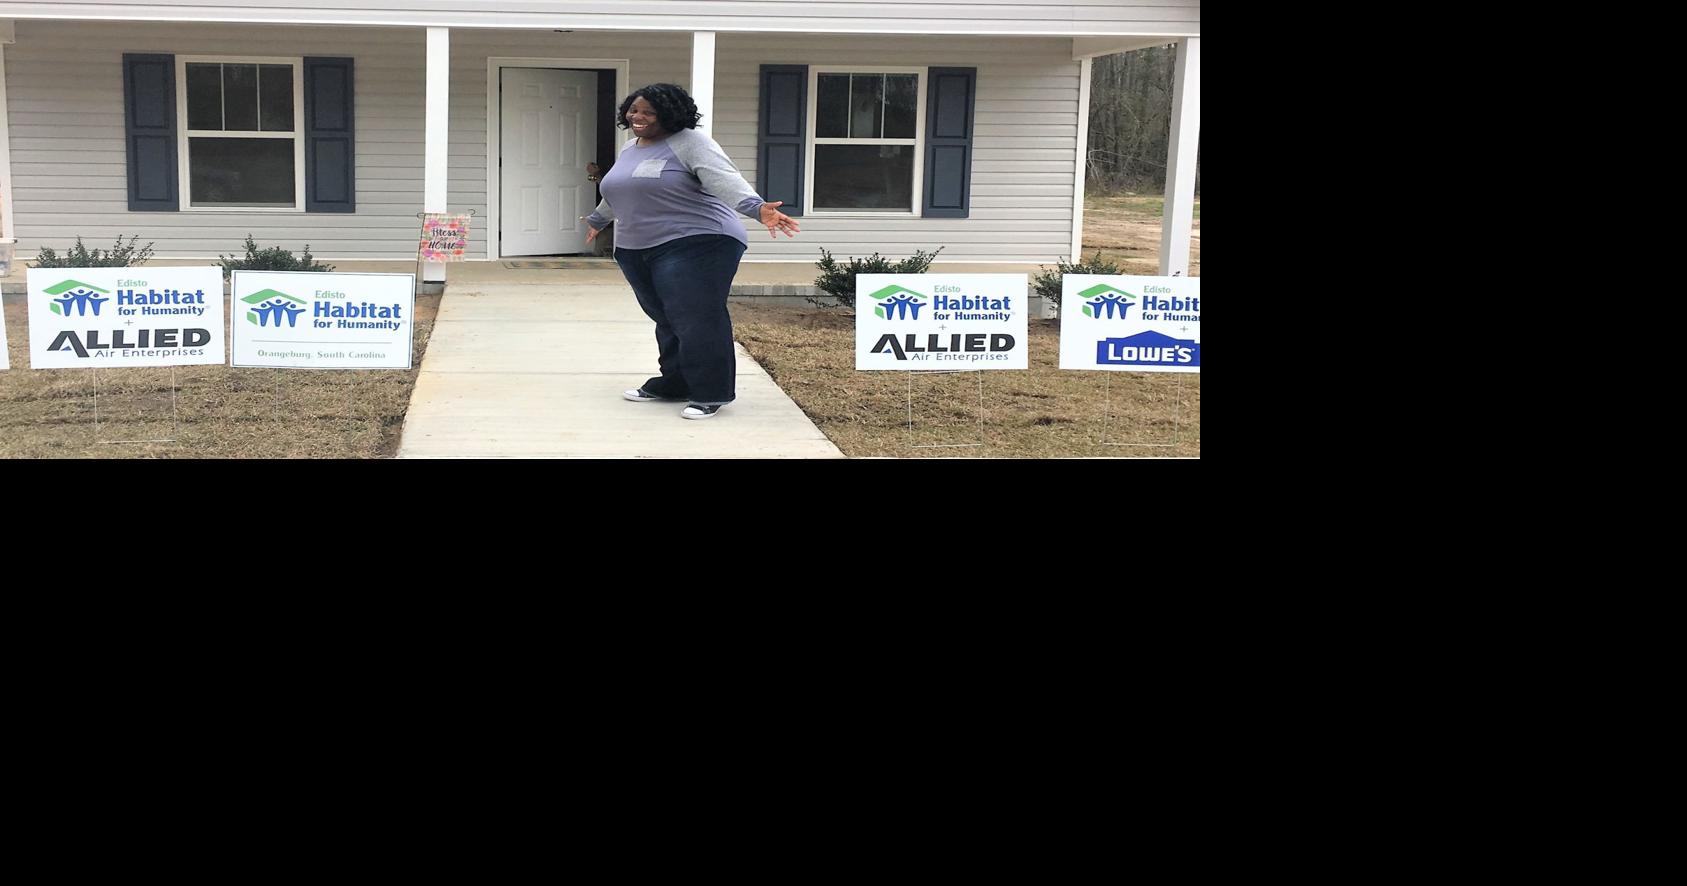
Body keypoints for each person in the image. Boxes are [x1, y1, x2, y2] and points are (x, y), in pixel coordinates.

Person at [583, 83, 800, 420]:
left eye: (648, 112)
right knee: (666, 317)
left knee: (696, 317)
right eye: (634, 110)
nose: (638, 117)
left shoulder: (690, 142)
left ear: (669, 113)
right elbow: (617, 190)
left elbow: (724, 179)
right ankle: (676, 382)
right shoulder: (631, 148)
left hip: (699, 242)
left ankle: (711, 391)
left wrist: (757, 209)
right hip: (637, 247)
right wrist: (598, 220)